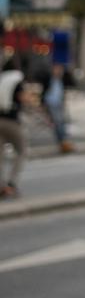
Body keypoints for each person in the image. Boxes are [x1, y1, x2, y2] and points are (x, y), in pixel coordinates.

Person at [0, 56, 26, 198]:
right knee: (21, 151)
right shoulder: (17, 78)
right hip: (12, 119)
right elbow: (22, 97)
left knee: (0, 155)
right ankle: (12, 183)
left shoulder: (1, 78)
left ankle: (1, 186)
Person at [38, 63, 75, 153]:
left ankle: (64, 141)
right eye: (56, 69)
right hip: (51, 102)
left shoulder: (62, 79)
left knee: (62, 121)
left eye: (59, 69)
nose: (58, 71)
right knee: (58, 121)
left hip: (59, 103)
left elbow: (72, 83)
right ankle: (63, 141)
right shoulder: (48, 79)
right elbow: (43, 90)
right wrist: (42, 104)